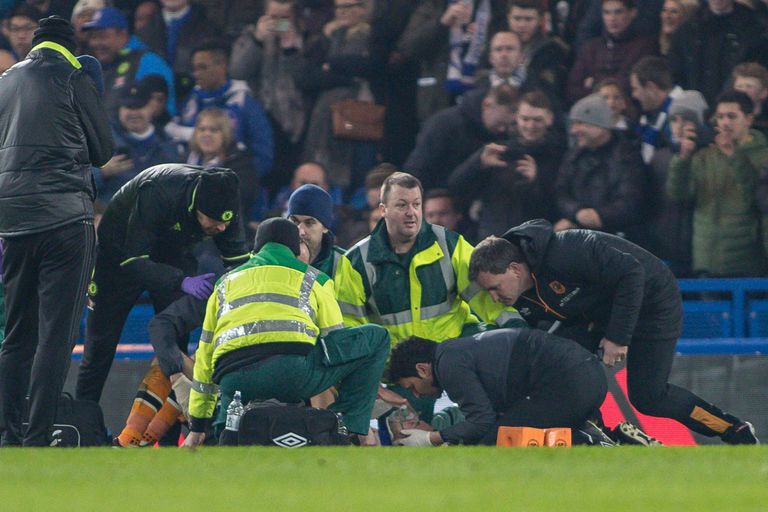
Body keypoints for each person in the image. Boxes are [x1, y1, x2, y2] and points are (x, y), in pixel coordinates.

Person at [468, 219, 760, 444]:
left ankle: (733, 429)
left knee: (649, 397)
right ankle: (601, 437)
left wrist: (618, 337)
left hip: (652, 300)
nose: (494, 297)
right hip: (599, 313)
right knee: (558, 365)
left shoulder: (567, 250)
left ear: (516, 269)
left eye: (495, 287)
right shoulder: (523, 296)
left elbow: (632, 273)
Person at [0, 16, 113, 447]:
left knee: (16, 335)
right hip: (65, 219)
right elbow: (102, 151)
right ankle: (37, 438)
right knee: (55, 335)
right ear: (70, 45)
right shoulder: (74, 76)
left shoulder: (5, 81)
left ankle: (8, 435)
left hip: (12, 221)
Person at [183, 218, 391, 446]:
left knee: (230, 424)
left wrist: (198, 424)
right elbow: (335, 343)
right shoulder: (315, 278)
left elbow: (204, 357)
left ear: (256, 249)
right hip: (293, 374)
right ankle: (343, 425)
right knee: (378, 337)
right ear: (295, 248)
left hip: (233, 380)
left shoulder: (224, 283)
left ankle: (225, 428)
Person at [334, 171, 524, 421]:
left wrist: (517, 332)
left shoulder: (450, 245)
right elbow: (349, 329)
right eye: (401, 205)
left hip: (454, 361)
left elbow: (489, 297)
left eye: (416, 204)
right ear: (383, 209)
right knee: (410, 436)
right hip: (399, 377)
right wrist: (368, 381)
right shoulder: (356, 261)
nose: (411, 213)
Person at [75, 164, 251, 403]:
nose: (220, 228)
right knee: (99, 349)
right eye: (214, 221)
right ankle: (83, 424)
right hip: (118, 257)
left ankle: (168, 436)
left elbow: (239, 264)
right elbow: (133, 259)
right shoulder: (158, 193)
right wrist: (181, 281)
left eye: (226, 223)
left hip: (174, 251)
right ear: (197, 207)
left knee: (176, 343)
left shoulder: (224, 203)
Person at [388, 329, 608, 446]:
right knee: (504, 429)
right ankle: (603, 435)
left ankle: (591, 441)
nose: (416, 394)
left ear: (422, 369)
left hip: (568, 383)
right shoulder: (455, 353)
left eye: (412, 386)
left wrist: (430, 439)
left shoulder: (448, 365)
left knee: (497, 441)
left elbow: (482, 422)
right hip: (589, 375)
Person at [667, 90, 768, 277]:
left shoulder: (763, 156)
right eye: (720, 117)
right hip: (706, 259)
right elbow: (679, 194)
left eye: (732, 116)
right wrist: (683, 158)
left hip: (748, 262)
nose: (725, 123)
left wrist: (734, 156)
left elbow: (757, 199)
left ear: (749, 119)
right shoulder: (705, 156)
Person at [450, 90, 566, 238]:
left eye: (537, 120)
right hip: (493, 237)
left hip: (533, 240)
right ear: (516, 117)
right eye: (525, 119)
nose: (530, 126)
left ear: (549, 119)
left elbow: (556, 206)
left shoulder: (559, 156)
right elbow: (456, 186)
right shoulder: (498, 150)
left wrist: (534, 182)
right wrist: (478, 163)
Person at [166, 39, 274, 178]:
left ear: (222, 66)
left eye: (203, 67)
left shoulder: (244, 103)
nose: (196, 74)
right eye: (194, 68)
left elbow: (263, 154)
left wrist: (240, 180)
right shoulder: (190, 100)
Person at [554, 93, 647, 243]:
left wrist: (600, 216)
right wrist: (577, 213)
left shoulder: (628, 156)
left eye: (580, 123)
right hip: (579, 239)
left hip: (617, 241)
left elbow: (631, 201)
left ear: (600, 125)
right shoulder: (573, 156)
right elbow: (561, 192)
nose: (573, 131)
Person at [403, 85, 518, 191]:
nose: (502, 130)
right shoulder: (443, 124)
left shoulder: (504, 135)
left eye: (508, 125)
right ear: (486, 105)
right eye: (499, 123)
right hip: (438, 199)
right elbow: (417, 169)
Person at [93, 81, 183, 205]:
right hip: (110, 216)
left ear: (151, 107)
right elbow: (75, 180)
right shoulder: (102, 141)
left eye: (139, 106)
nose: (134, 113)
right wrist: (101, 172)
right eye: (128, 107)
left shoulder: (168, 146)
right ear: (120, 109)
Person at [82, 6, 176, 116]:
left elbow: (160, 114)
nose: (97, 43)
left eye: (102, 36)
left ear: (122, 34)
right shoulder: (97, 65)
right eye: (93, 37)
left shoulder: (148, 62)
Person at [667, 0, 763, 104]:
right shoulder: (689, 28)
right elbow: (676, 69)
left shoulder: (752, 28)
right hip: (696, 103)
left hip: (735, 106)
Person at [567, 0, 658, 105]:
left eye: (618, 12)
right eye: (607, 12)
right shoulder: (591, 47)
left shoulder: (645, 46)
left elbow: (629, 86)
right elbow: (572, 89)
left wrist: (594, 84)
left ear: (632, 13)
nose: (612, 19)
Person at [287, 183, 346, 278]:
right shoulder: (274, 258)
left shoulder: (344, 264)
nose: (300, 231)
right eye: (294, 221)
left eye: (309, 223)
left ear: (325, 227)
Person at [732, 62, 768, 137]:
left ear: (764, 93)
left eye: (749, 86)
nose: (743, 90)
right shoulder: (721, 120)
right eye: (739, 86)